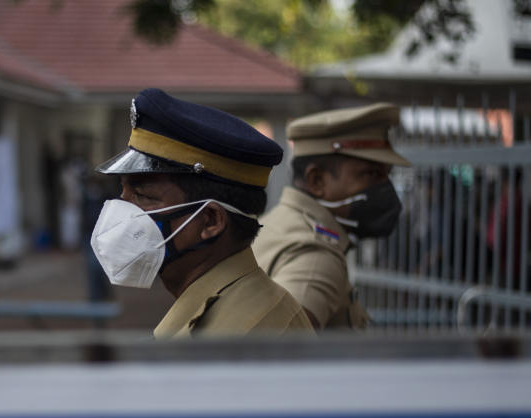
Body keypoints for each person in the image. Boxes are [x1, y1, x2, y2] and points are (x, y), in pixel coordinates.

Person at [91, 88, 313, 337]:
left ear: (210, 221)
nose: (123, 208)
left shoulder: (248, 334)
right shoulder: (218, 310)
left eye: (142, 196)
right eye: (124, 192)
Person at [252, 103, 411, 329]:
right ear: (317, 181)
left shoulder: (278, 221)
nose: (385, 187)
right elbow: (280, 354)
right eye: (372, 174)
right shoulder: (316, 257)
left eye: (387, 175)